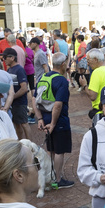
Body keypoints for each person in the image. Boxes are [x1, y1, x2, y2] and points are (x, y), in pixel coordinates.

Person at [36, 53, 74, 188]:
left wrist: (40, 119)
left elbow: (35, 100)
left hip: (45, 117)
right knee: (59, 151)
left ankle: (50, 176)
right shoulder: (62, 81)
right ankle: (58, 179)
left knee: (50, 149)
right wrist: (53, 123)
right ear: (63, 64)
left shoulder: (43, 77)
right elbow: (58, 105)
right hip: (58, 121)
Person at [3, 48, 31, 140]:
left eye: (5, 57)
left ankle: (30, 144)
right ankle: (21, 142)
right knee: (17, 124)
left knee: (24, 123)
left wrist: (12, 97)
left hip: (20, 102)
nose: (4, 59)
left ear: (12, 57)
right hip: (14, 103)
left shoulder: (19, 70)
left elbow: (24, 88)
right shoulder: (9, 70)